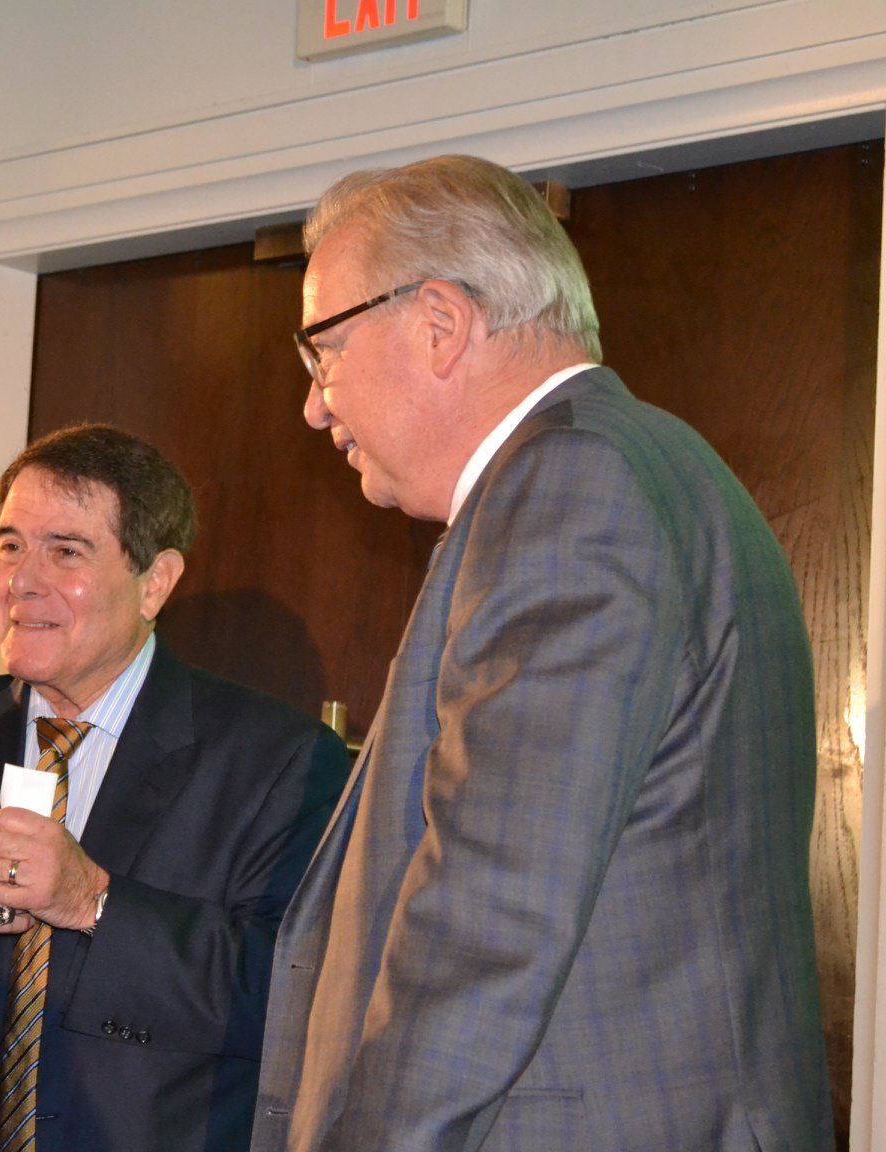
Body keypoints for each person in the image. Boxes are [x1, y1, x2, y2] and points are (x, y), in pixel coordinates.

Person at [251, 155, 833, 1151]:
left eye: (324, 352)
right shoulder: (644, 462)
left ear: (441, 322)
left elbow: (489, 917)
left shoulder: (570, 483)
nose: (314, 405)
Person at [0, 424, 351, 1152]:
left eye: (65, 551)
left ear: (155, 582)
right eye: (10, 546)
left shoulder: (277, 760)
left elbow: (293, 997)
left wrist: (91, 902)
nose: (21, 581)